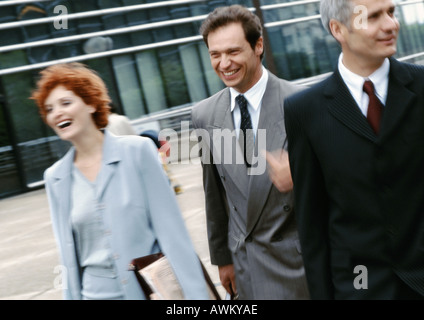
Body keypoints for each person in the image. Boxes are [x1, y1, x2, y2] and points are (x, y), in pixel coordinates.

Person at [30, 62, 209, 300]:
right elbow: (68, 257)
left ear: (91, 103)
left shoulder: (138, 152)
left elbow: (173, 234)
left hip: (149, 291)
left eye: (65, 103)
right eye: (49, 109)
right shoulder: (55, 177)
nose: (57, 113)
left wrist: (196, 298)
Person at [283, 0, 424, 299]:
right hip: (360, 288)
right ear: (338, 29)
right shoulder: (304, 111)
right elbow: (313, 224)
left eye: (391, 12)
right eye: (373, 17)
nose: (390, 24)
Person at [191, 5, 309, 300]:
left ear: (258, 46)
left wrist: (303, 176)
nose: (224, 63)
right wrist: (222, 259)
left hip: (299, 266)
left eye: (233, 51)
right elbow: (214, 195)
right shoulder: (204, 114)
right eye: (214, 55)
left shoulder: (303, 103)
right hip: (244, 267)